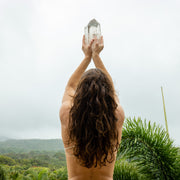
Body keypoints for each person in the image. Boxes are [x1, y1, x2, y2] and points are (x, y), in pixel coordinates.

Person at [59, 35, 125, 180]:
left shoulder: (67, 115)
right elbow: (112, 92)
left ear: (80, 93)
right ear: (107, 94)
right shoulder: (116, 116)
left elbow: (70, 86)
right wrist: (96, 57)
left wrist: (87, 57)